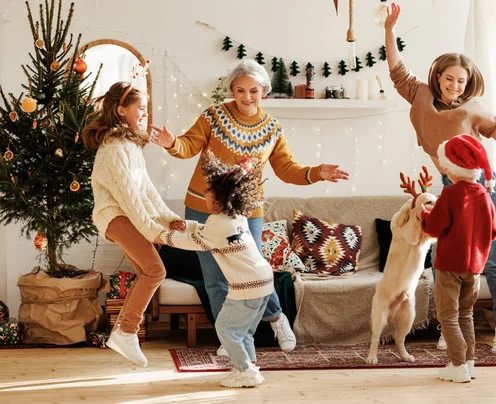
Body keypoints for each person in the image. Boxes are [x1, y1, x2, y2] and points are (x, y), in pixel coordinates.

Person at [149, 59, 349, 356]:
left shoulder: (271, 128)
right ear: (231, 90)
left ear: (263, 91)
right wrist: (171, 143)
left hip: (247, 212)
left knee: (253, 273)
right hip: (203, 207)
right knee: (215, 278)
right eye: (240, 90)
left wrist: (317, 172)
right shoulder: (214, 116)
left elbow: (287, 169)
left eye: (253, 91)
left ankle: (277, 318)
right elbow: (188, 145)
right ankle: (228, 338)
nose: (246, 97)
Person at [385, 2, 496, 353]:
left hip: (483, 189)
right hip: (449, 188)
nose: (455, 86)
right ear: (438, 77)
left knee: (490, 260)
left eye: (461, 81)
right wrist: (390, 29)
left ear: (468, 83)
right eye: (449, 79)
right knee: (448, 260)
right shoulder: (420, 95)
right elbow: (397, 71)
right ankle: (452, 327)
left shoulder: (474, 109)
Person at [83, 81, 185, 367]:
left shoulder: (129, 145)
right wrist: (155, 231)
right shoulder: (114, 149)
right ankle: (126, 331)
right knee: (155, 270)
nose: (144, 113)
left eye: (145, 108)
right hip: (115, 216)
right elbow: (129, 199)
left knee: (146, 271)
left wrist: (168, 218)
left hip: (124, 214)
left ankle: (123, 332)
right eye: (139, 108)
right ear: (120, 110)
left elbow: (146, 190)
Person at [159, 151, 272, 388]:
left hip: (247, 287)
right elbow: (210, 233)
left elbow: (193, 243)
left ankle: (244, 371)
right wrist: (187, 225)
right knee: (242, 332)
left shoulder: (217, 223)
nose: (204, 197)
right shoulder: (236, 217)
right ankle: (249, 367)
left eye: (207, 194)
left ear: (220, 200)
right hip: (264, 283)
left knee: (225, 328)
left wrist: (163, 236)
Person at [419, 134, 496, 383]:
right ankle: (469, 363)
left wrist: (424, 213)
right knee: (466, 315)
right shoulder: (484, 195)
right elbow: (493, 232)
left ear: (453, 169)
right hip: (474, 267)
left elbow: (433, 228)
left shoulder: (451, 194)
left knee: (448, 316)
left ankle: (457, 365)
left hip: (449, 266)